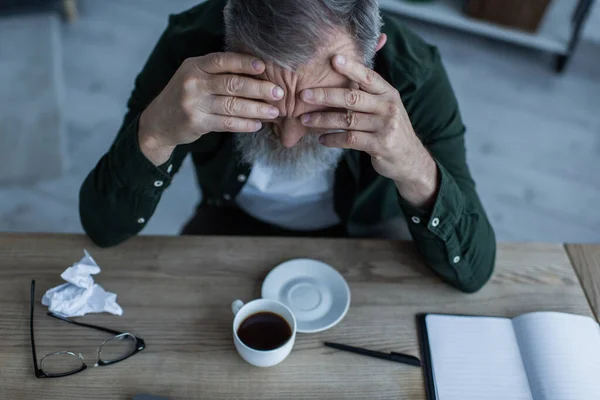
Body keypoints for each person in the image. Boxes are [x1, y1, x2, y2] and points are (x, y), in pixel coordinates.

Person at [79, 0, 496, 292]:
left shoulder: (415, 75)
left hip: (368, 231)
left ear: (372, 56)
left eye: (321, 105)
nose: (290, 138)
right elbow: (103, 229)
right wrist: (156, 132)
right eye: (265, 104)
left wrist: (414, 165)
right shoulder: (188, 50)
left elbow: (473, 273)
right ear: (226, 46)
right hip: (231, 218)